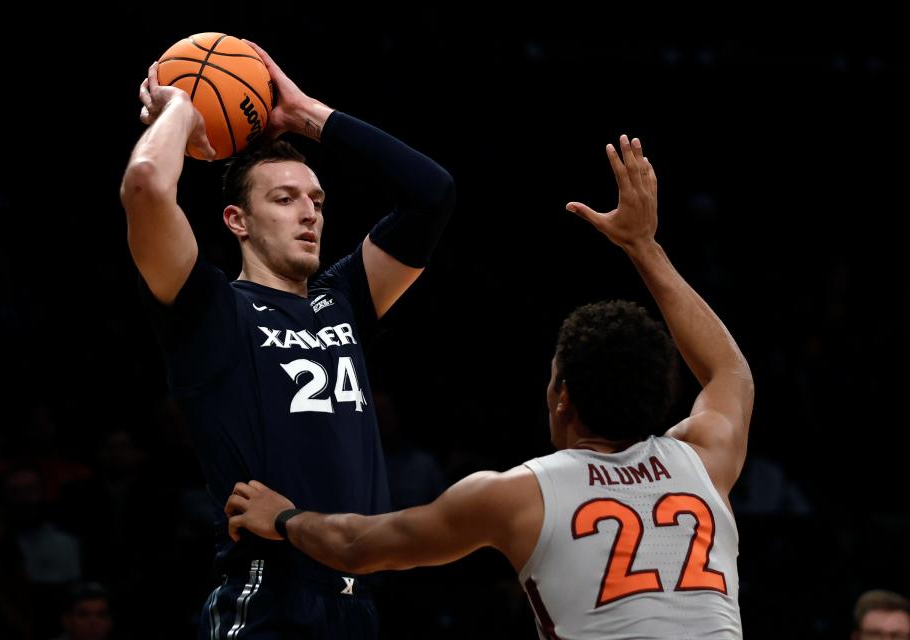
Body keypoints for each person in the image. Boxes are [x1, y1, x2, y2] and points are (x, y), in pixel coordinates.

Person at [225, 136, 753, 638]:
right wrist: (644, 246)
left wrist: (286, 518)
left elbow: (356, 545)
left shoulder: (520, 495)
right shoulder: (704, 460)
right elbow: (729, 372)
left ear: (563, 396)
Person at [120, 38, 454, 638]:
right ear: (236, 221)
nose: (310, 213)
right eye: (285, 198)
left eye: (317, 200)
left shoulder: (344, 298)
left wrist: (308, 118)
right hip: (270, 595)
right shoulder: (213, 310)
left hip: (360, 599)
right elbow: (145, 183)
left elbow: (432, 194)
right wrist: (183, 111)